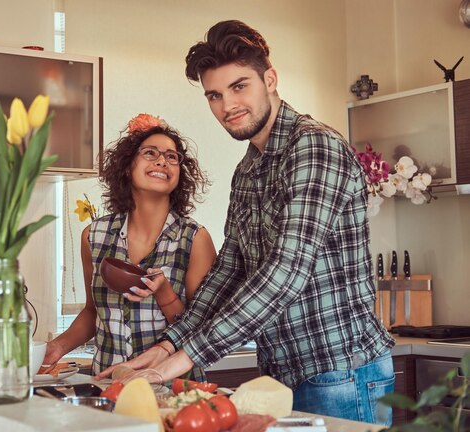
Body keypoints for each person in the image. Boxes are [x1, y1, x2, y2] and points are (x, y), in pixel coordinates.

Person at [98, 20, 396, 426]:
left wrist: (187, 356)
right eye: (215, 95)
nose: (227, 106)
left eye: (240, 87)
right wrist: (170, 344)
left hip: (341, 372)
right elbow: (228, 270)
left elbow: (286, 271)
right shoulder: (249, 169)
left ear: (269, 80)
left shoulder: (313, 147)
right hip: (279, 375)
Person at [44, 114, 216, 382]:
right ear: (126, 166)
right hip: (107, 385)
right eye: (150, 153)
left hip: (172, 388)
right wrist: (57, 347)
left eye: (172, 157)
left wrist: (164, 294)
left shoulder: (194, 239)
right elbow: (93, 312)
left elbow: (203, 326)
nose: (162, 160)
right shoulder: (94, 236)